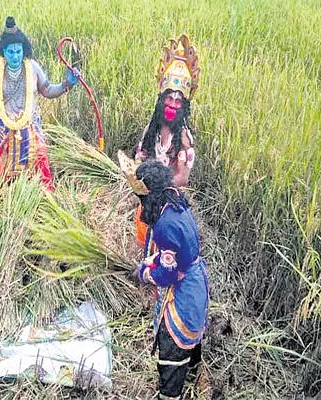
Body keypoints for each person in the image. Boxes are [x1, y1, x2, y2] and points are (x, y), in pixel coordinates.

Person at [119, 154, 209, 400]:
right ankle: (193, 372)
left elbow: (168, 273)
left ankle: (170, 394)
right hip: (195, 279)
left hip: (183, 294)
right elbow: (175, 252)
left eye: (140, 200)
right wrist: (152, 260)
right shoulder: (176, 202)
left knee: (171, 346)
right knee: (192, 339)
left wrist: (147, 274)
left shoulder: (164, 225)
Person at [0, 16, 79, 190]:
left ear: (24, 50)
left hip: (32, 130)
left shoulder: (32, 67)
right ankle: (8, 210)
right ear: (2, 52)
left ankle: (44, 207)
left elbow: (48, 90)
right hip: (4, 134)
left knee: (41, 176)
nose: (15, 56)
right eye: (10, 52)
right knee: (7, 184)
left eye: (18, 51)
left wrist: (68, 84)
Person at [133, 34, 200, 248]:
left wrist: (157, 188)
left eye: (178, 101)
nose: (172, 104)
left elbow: (182, 178)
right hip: (148, 199)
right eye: (168, 99)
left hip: (168, 203)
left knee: (164, 248)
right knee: (143, 238)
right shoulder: (151, 130)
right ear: (161, 101)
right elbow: (141, 157)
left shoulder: (183, 139)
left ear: (184, 107)